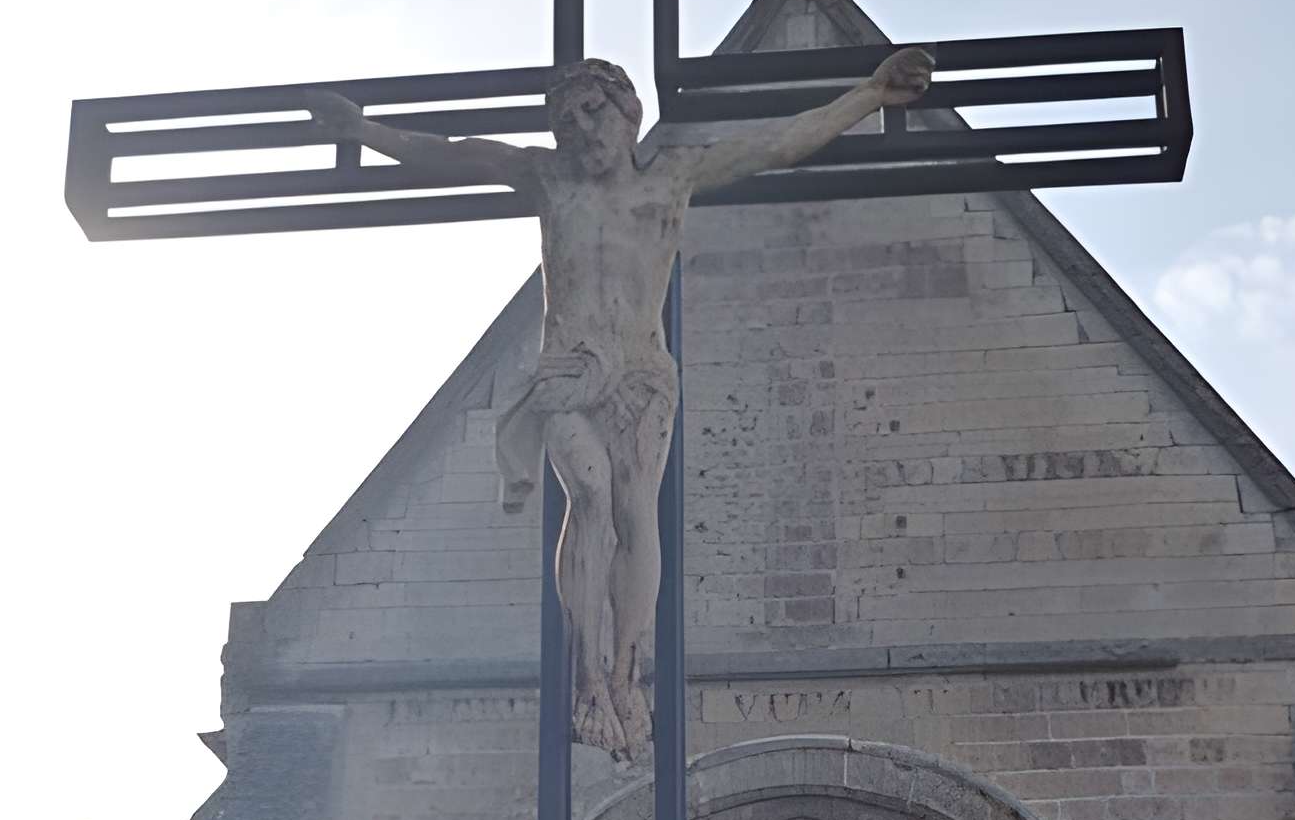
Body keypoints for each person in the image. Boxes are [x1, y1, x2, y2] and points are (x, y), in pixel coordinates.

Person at [319, 45, 933, 759]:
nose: (580, 129)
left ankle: (624, 673)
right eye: (564, 120)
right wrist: (364, 133)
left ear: (627, 112)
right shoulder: (546, 179)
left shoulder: (674, 176)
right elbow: (451, 153)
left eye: (592, 111)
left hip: (642, 372)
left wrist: (869, 94)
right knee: (591, 494)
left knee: (637, 507)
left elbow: (777, 143)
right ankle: (586, 677)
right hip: (571, 369)